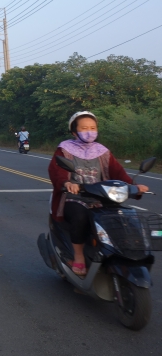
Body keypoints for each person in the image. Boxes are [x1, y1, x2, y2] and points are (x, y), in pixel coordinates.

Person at [48, 111, 149, 277]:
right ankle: (79, 255)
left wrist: (134, 186)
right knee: (80, 216)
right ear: (74, 132)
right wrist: (67, 183)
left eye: (93, 127)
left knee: (122, 217)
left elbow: (118, 173)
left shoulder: (102, 151)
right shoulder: (64, 149)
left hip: (102, 197)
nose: (89, 131)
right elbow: (56, 171)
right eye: (84, 128)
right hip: (74, 197)